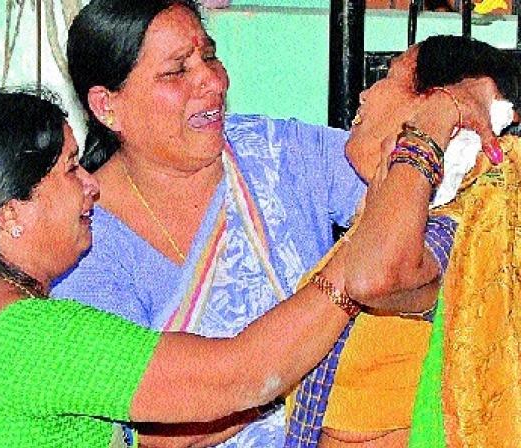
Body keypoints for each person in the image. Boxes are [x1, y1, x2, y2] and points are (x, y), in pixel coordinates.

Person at [0, 86, 444, 447]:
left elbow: (149, 428)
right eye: (69, 170)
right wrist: (347, 279)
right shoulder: (33, 339)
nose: (92, 188)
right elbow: (241, 373)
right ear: (11, 215)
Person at [52, 0, 501, 445]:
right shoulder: (88, 246)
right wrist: (348, 277)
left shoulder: (276, 152)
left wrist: (457, 102)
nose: (212, 80)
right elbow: (147, 435)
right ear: (107, 105)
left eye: (209, 56)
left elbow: (406, 180)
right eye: (177, 71)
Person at [285, 35, 517, 447]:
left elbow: (376, 277)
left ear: (428, 107)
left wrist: (435, 120)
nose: (364, 94)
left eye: (388, 78)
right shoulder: (391, 223)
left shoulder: (456, 230)